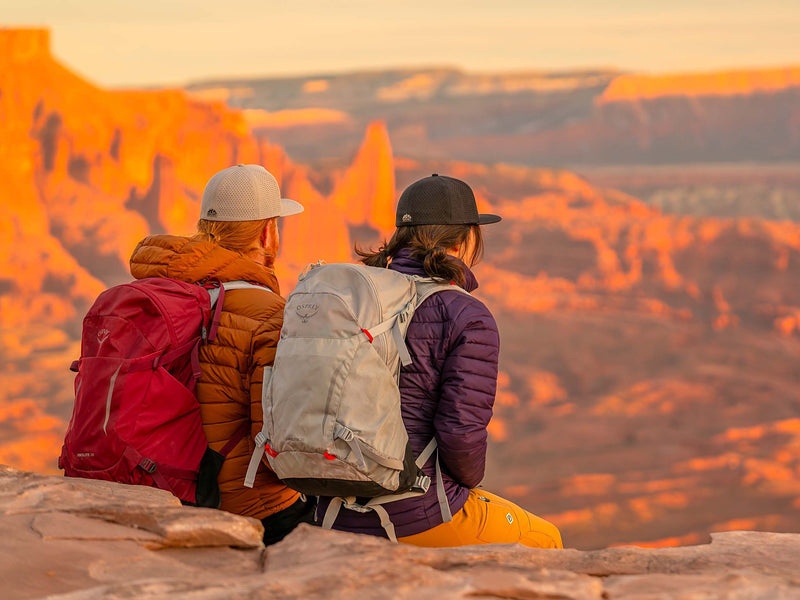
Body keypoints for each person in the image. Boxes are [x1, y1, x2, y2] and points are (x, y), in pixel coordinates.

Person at [316, 174, 563, 548]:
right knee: (546, 540)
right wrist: (462, 487)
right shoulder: (465, 314)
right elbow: (461, 437)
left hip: (330, 508)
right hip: (415, 515)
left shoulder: (351, 300)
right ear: (465, 239)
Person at [129, 164, 314, 545]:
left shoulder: (161, 291)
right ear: (267, 232)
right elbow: (278, 444)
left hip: (166, 485)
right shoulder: (270, 313)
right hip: (249, 506)